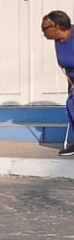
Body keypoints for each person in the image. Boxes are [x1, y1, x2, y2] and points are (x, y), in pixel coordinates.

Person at [42, 10, 74, 156]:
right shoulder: (58, 40)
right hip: (72, 81)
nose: (43, 33)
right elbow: (65, 65)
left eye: (44, 29)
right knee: (71, 105)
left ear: (56, 27)